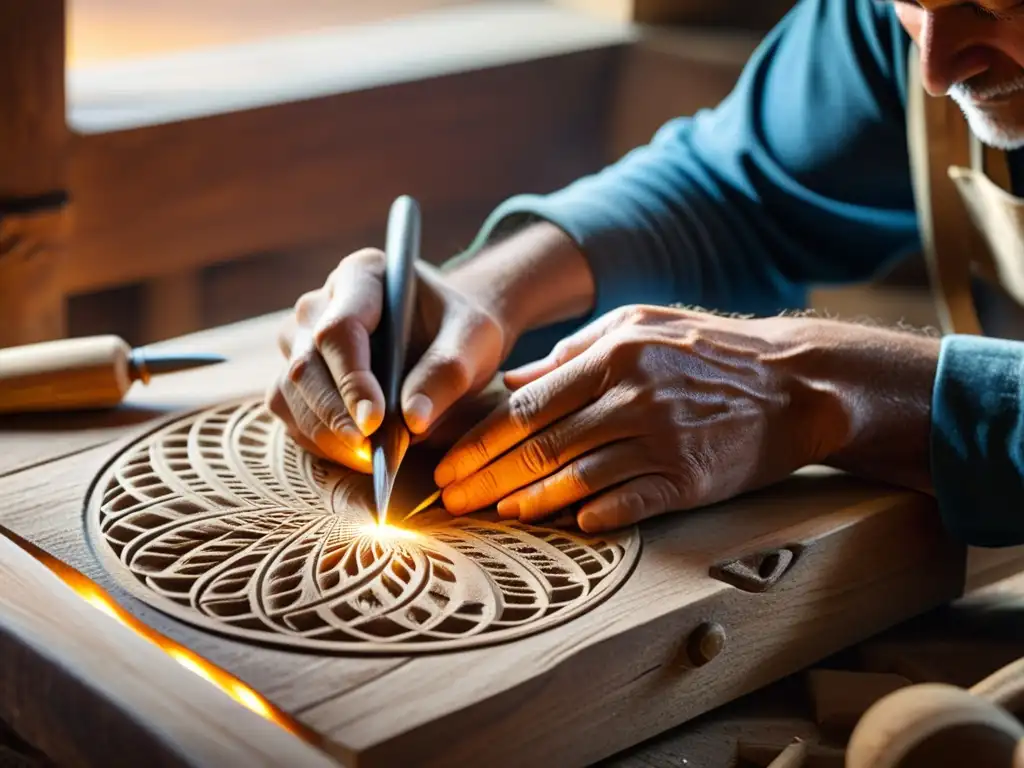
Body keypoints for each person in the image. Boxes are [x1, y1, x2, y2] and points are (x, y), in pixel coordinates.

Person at [267, 0, 1024, 547]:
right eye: (910, 5)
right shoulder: (908, 27)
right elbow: (740, 192)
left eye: (999, 6)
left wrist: (837, 390)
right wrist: (487, 292)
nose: (934, 69)